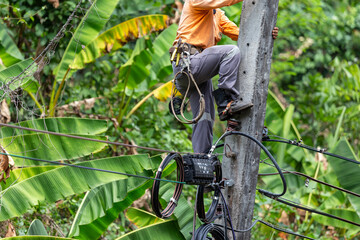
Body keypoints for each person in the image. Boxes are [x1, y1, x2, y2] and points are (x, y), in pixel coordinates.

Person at [171, 0, 279, 154]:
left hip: (198, 72)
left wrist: (266, 33)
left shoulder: (217, 14)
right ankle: (226, 101)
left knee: (205, 117)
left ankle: (202, 160)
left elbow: (241, 35)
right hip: (188, 63)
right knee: (231, 52)